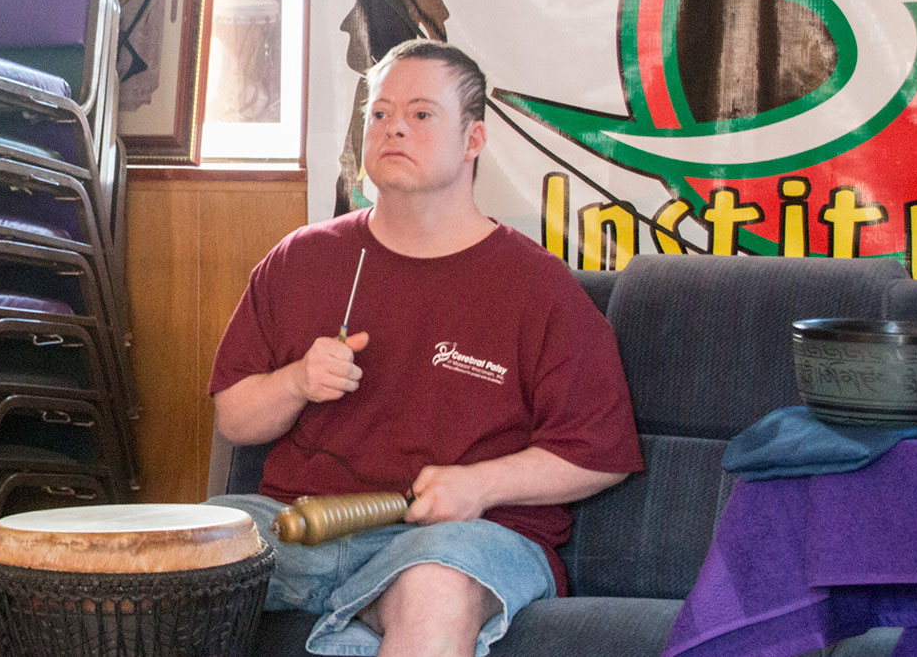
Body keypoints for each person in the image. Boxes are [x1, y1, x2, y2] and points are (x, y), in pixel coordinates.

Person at [206, 39, 644, 657]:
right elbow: (234, 417)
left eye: (420, 114)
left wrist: (480, 486)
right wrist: (297, 381)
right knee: (166, 551)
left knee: (432, 589)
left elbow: (602, 455)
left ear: (473, 142)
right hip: (298, 527)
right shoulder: (301, 258)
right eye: (379, 114)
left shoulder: (537, 285)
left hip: (468, 539)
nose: (393, 129)